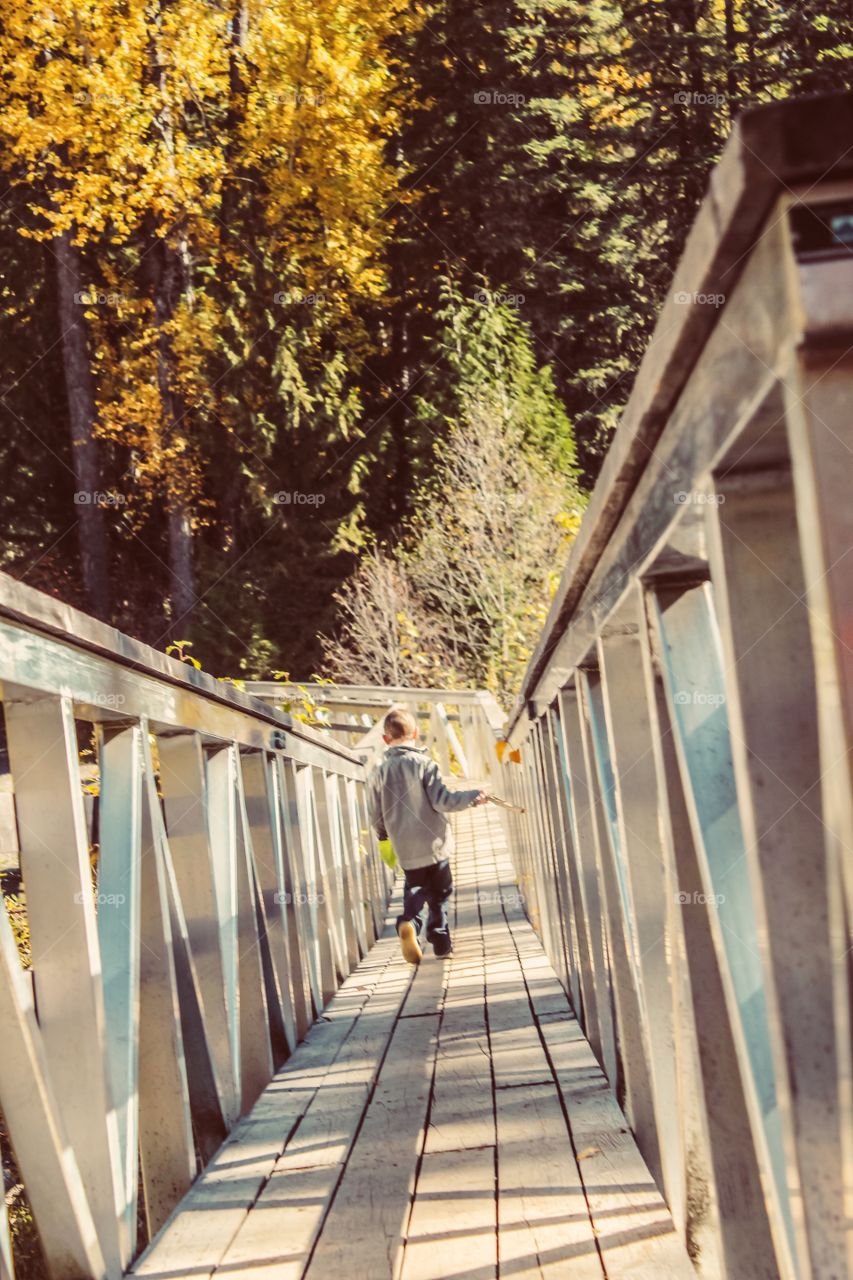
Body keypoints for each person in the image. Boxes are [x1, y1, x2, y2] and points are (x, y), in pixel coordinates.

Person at [367, 703, 487, 964]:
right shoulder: (424, 764)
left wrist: (383, 835)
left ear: (386, 740)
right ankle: (441, 941)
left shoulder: (378, 773)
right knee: (440, 893)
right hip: (434, 843)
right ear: (416, 735)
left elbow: (376, 814)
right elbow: (443, 800)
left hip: (405, 847)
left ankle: (408, 921)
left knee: (415, 888)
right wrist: (472, 797)